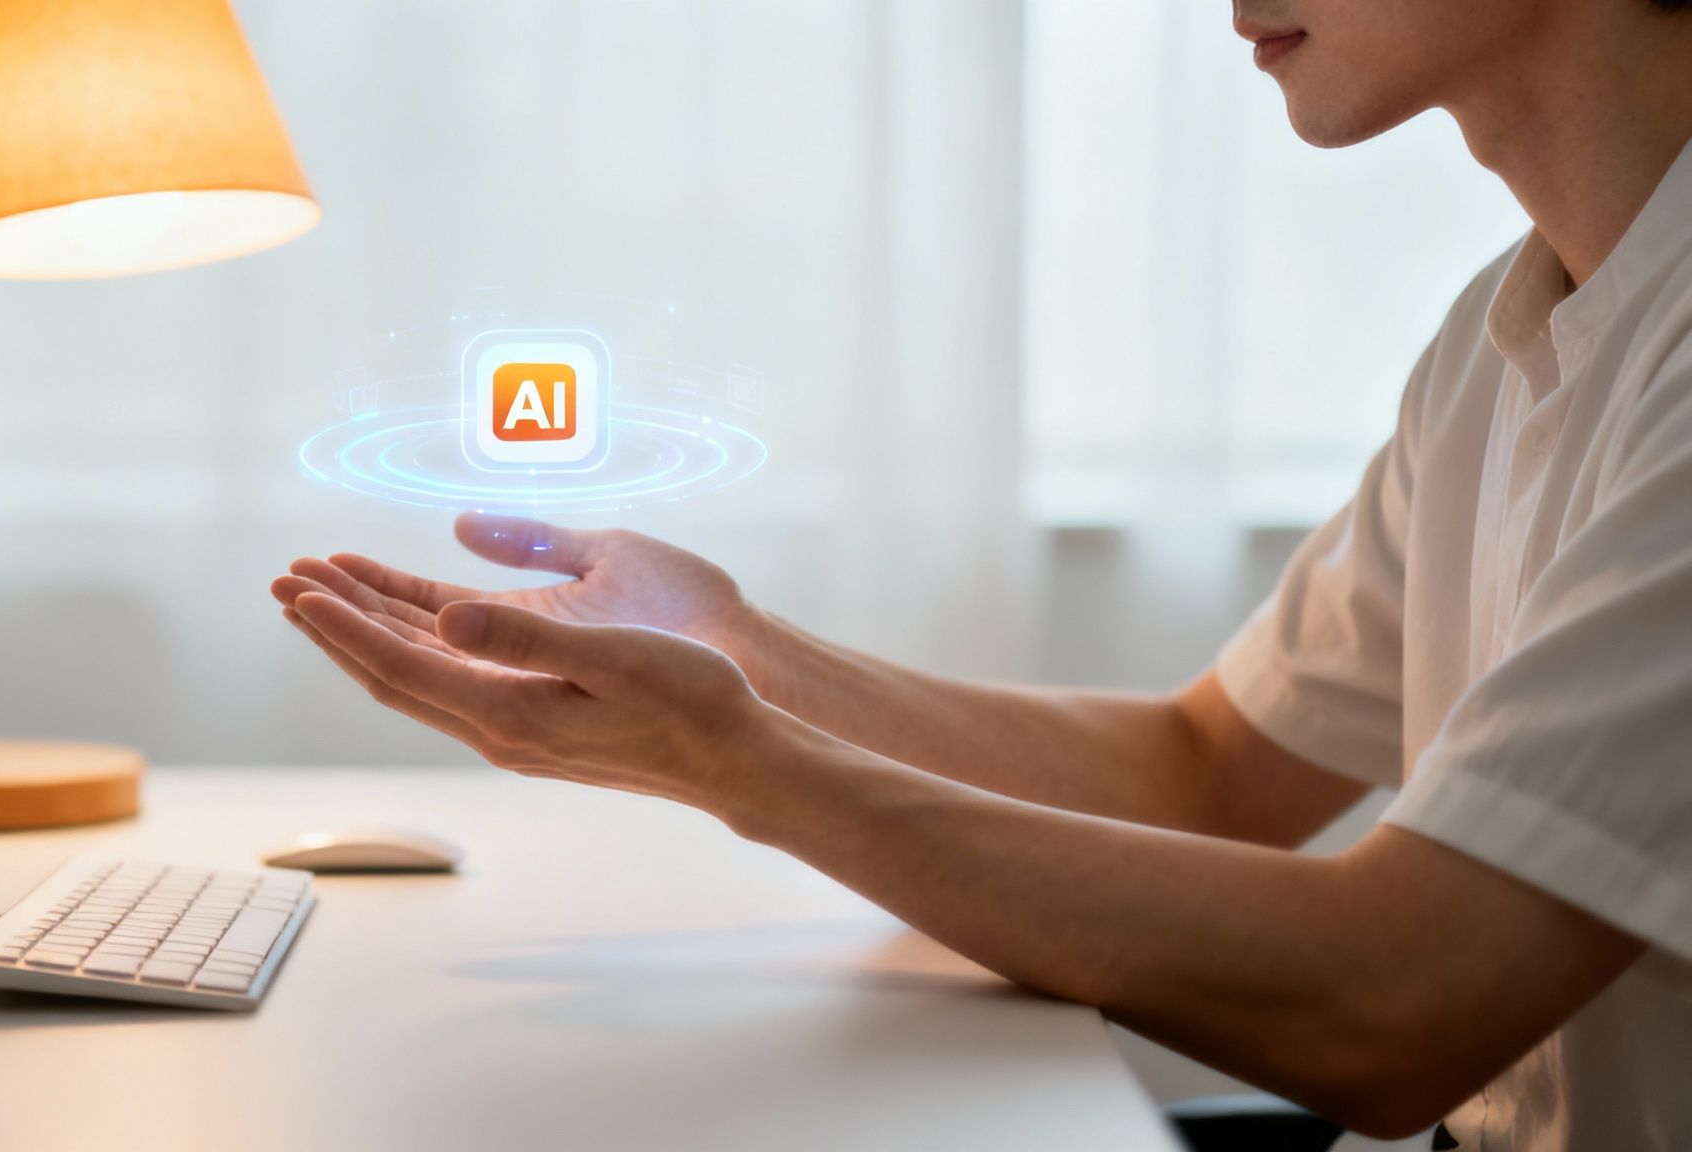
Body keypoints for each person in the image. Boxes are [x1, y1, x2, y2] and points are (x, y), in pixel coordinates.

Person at [270, 1, 1692, 1146]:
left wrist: (735, 761)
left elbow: (1394, 1005)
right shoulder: (1503, 335)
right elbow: (1207, 772)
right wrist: (743, 652)